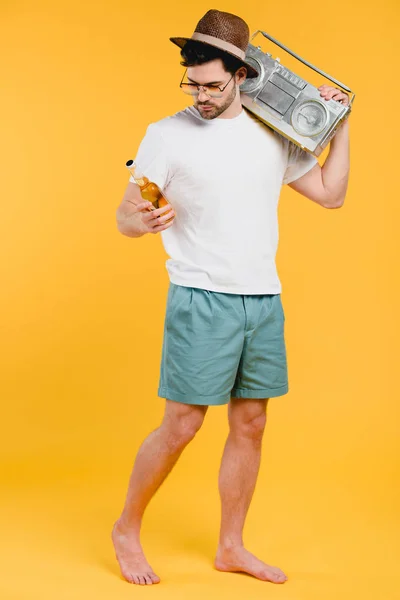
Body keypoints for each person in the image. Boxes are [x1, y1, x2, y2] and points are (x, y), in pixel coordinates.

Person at [112, 9, 350, 587]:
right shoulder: (166, 134)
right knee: (182, 426)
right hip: (202, 298)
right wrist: (143, 220)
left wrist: (341, 126)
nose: (200, 95)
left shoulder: (272, 133)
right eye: (191, 83)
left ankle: (231, 546)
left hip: (262, 301)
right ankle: (126, 529)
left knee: (251, 425)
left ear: (242, 76)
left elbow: (329, 193)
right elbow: (124, 215)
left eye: (213, 85)